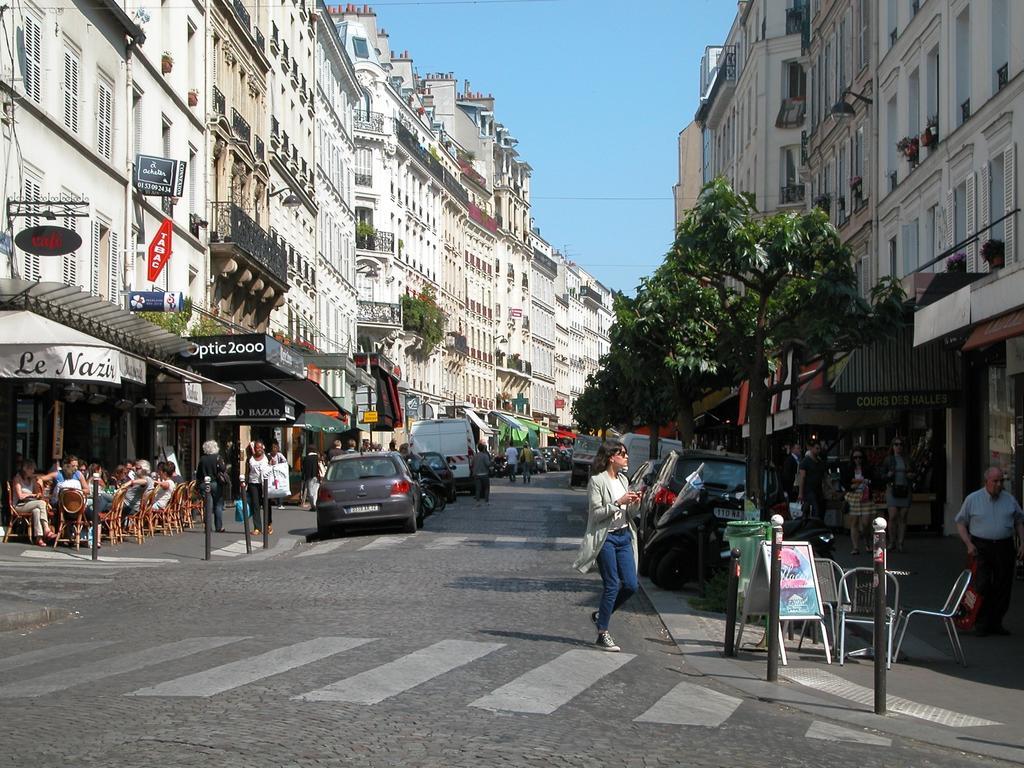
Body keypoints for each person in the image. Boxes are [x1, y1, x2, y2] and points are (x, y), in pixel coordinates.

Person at [573, 440, 640, 652]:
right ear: (612, 457)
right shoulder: (597, 481)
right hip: (606, 538)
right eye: (623, 454)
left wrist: (635, 503)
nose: (626, 457)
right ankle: (602, 633)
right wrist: (618, 502)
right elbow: (596, 514)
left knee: (631, 585)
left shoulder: (623, 479)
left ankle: (601, 615)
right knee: (612, 584)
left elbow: (630, 514)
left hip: (624, 537)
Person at [955, 467, 1024, 636]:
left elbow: (1019, 522)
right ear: (987, 481)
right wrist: (968, 544)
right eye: (995, 481)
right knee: (982, 584)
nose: (999, 484)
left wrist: (1022, 542)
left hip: (1004, 546)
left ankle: (996, 622)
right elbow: (960, 522)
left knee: (1003, 584)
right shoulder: (973, 499)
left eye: (1001, 481)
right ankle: (981, 621)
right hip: (981, 546)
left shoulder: (1009, 500)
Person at [880, 437, 914, 552]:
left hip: (905, 488)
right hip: (892, 488)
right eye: (896, 444)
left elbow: (915, 472)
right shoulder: (888, 459)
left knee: (903, 516)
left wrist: (911, 475)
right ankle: (892, 541)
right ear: (892, 446)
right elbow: (881, 475)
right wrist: (888, 475)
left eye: (901, 445)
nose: (898, 447)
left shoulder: (908, 459)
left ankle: (900, 542)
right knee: (893, 515)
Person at [13, 460, 55, 546]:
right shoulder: (17, 479)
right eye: (31, 469)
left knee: (37, 511)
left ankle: (39, 538)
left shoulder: (31, 480)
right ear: (25, 469)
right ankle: (46, 529)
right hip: (19, 505)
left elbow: (38, 493)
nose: (33, 471)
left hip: (30, 504)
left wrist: (39, 484)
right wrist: (33, 495)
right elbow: (20, 496)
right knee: (41, 503)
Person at [841, 447, 874, 555]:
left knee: (866, 523)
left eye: (860, 457)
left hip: (866, 496)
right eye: (855, 457)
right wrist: (852, 486)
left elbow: (874, 479)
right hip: (853, 495)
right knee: (854, 522)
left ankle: (867, 541)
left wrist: (867, 482)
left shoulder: (868, 468)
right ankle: (855, 547)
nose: (857, 459)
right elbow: (844, 482)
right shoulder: (848, 468)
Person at [196, 440, 227, 532]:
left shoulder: (202, 459)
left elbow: (198, 474)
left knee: (208, 506)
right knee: (218, 505)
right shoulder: (218, 457)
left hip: (205, 484)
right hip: (216, 483)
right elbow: (223, 469)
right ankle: (219, 526)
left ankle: (208, 527)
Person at [242, 440, 271, 535]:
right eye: (257, 448)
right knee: (255, 505)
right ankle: (257, 528)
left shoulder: (268, 457)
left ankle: (268, 525)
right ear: (254, 449)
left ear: (263, 448)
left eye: (261, 447)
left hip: (265, 484)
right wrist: (244, 483)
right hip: (253, 484)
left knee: (266, 504)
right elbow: (247, 472)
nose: (259, 449)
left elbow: (273, 469)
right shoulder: (250, 459)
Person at [797, 441, 826, 520]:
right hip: (809, 489)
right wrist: (800, 493)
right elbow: (802, 477)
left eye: (819, 449)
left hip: (818, 489)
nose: (818, 450)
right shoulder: (805, 462)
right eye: (816, 448)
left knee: (820, 509)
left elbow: (824, 476)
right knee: (815, 509)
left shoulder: (820, 462)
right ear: (811, 448)